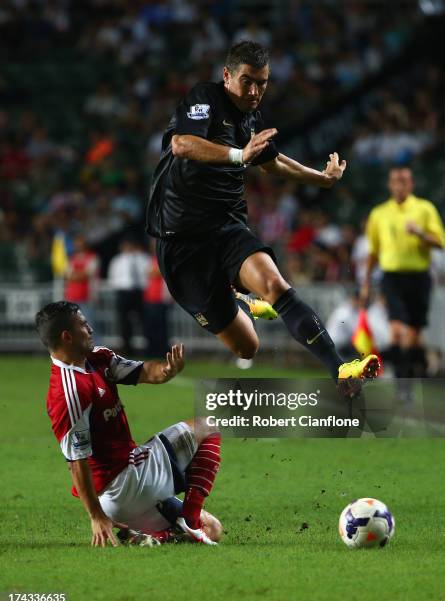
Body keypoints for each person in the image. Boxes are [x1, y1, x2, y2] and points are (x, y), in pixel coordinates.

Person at [146, 40, 378, 391]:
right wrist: (240, 155)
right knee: (247, 346)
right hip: (180, 244)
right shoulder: (205, 99)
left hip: (225, 227)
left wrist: (322, 178)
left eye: (263, 83)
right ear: (227, 76)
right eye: (248, 81)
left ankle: (340, 369)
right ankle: (241, 299)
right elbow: (182, 145)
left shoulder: (252, 118)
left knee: (275, 284)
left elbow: (272, 162)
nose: (255, 91)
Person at [35, 301, 222, 547]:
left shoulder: (97, 358)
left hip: (123, 497)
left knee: (213, 529)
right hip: (125, 481)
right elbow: (76, 462)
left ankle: (153, 537)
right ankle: (189, 519)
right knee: (207, 426)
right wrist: (96, 517)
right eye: (83, 325)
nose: (90, 328)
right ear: (67, 336)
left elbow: (144, 372)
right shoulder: (68, 391)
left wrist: (168, 369)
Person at [361, 167, 445, 385]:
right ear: (390, 185)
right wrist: (366, 284)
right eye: (395, 181)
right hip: (392, 278)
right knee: (397, 332)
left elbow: (440, 242)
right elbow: (373, 252)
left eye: (404, 181)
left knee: (415, 337)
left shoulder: (424, 209)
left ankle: (419, 369)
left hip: (419, 277)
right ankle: (402, 383)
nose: (399, 185)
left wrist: (420, 233)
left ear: (411, 184)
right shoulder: (379, 213)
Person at [108, 237, 149, 354]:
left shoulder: (141, 258)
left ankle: (148, 346)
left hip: (138, 292)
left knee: (143, 320)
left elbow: (145, 275)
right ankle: (127, 348)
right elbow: (113, 277)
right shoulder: (117, 260)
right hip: (123, 292)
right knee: (124, 322)